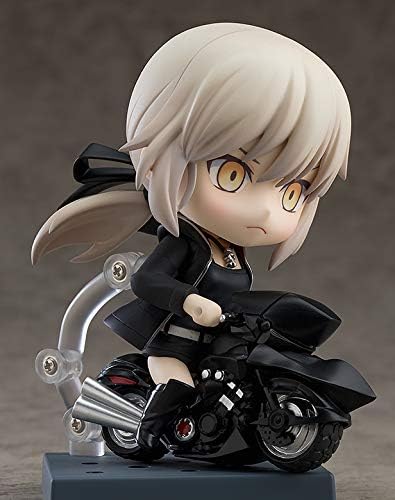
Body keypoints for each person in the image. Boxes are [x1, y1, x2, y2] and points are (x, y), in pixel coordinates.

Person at [31, 23, 351, 452]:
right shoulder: (185, 244)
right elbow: (147, 281)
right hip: (175, 346)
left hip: (215, 349)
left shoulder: (233, 251)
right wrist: (189, 301)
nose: (266, 210)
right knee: (179, 387)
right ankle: (148, 432)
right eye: (233, 174)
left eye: (293, 192)